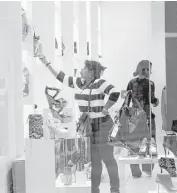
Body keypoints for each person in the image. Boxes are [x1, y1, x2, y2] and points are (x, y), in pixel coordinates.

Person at [37, 51, 120, 193]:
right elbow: (61, 76)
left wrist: (106, 107)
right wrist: (46, 62)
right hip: (89, 127)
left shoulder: (99, 83)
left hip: (103, 125)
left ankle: (115, 190)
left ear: (92, 72)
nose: (81, 70)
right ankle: (95, 190)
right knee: (94, 161)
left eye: (84, 68)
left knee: (108, 159)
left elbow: (115, 92)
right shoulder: (79, 83)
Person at [126, 60, 159, 178]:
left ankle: (135, 171)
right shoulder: (150, 84)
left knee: (133, 143)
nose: (150, 71)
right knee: (150, 141)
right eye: (149, 69)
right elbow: (152, 100)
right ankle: (148, 168)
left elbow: (127, 101)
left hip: (134, 117)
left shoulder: (131, 82)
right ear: (144, 69)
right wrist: (156, 101)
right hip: (147, 116)